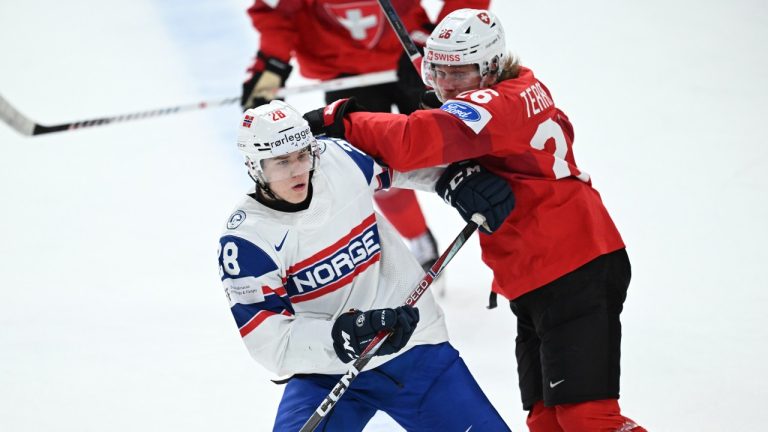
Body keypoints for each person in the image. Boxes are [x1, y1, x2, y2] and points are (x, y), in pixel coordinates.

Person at [303, 8, 647, 432]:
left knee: (586, 419)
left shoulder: (496, 106)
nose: (445, 85)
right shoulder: (516, 87)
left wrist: (339, 118)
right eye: (436, 72)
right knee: (546, 421)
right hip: (540, 272)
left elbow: (413, 141)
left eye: (458, 73)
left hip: (573, 266)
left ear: (490, 68)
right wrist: (450, 129)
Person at [217, 100, 513, 431]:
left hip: (414, 347)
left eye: (302, 155)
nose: (298, 170)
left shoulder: (337, 160)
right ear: (255, 166)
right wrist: (343, 337)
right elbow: (270, 342)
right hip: (326, 372)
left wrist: (452, 182)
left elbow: (400, 165)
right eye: (282, 162)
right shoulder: (247, 241)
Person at [240, 0, 490, 282]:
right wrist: (272, 63)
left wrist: (445, 46)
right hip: (345, 73)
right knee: (368, 165)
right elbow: (278, 13)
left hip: (414, 55)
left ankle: (512, 230)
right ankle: (419, 240)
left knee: (459, 143)